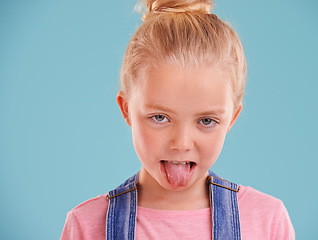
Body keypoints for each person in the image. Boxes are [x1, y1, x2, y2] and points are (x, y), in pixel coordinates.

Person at [60, 0, 295, 239]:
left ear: (231, 118)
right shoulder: (86, 226)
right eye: (160, 117)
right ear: (127, 109)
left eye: (206, 121)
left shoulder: (268, 222)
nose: (181, 143)